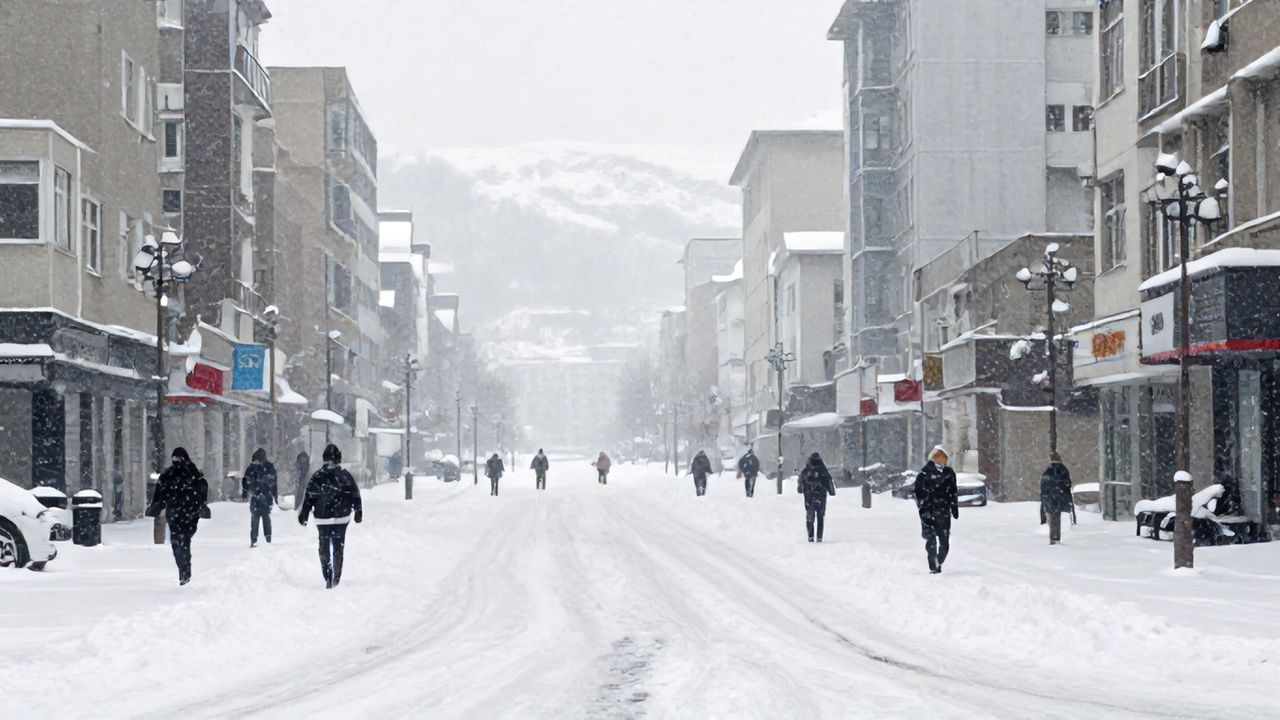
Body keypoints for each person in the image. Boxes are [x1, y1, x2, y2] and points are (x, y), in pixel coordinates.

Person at [298, 444, 362, 589]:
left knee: (324, 548)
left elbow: (309, 497)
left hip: (322, 518)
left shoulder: (317, 477)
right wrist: (358, 511)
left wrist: (304, 514)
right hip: (341, 518)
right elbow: (354, 494)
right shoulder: (345, 476)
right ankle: (336, 578)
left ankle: (328, 574)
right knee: (338, 548)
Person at [145, 448, 209, 586]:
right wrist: (157, 506)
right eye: (174, 460)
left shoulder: (193, 474)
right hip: (174, 515)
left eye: (179, 459)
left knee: (184, 542)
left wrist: (199, 507)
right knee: (176, 544)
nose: (176, 462)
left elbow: (200, 492)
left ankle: (185, 571)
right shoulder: (169, 475)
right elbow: (161, 493)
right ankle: (182, 569)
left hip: (189, 514)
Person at [913, 445, 958, 574]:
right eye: (938, 456)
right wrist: (924, 506)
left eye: (944, 457)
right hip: (928, 511)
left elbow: (953, 491)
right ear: (932, 457)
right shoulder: (924, 474)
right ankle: (933, 566)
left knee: (944, 543)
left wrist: (954, 506)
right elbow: (918, 493)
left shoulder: (949, 473)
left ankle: (939, 560)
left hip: (943, 511)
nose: (941, 460)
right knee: (931, 540)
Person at [241, 448, 278, 547]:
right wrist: (274, 494)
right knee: (262, 518)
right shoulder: (267, 467)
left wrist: (246, 491)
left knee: (257, 518)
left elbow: (246, 481)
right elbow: (274, 483)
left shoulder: (253, 468)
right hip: (263, 496)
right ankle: (265, 539)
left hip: (259, 497)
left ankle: (257, 539)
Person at [797, 452, 837, 542]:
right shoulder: (823, 470)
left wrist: (800, 489)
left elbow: (800, 484)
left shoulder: (806, 471)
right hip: (821, 497)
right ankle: (819, 537)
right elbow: (829, 482)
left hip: (809, 497)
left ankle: (810, 537)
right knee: (820, 516)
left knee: (810, 517)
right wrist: (831, 491)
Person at [1040, 452, 1073, 545]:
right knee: (1057, 517)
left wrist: (1046, 495)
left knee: (1052, 516)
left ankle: (1053, 537)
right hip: (1060, 497)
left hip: (1050, 497)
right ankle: (1056, 536)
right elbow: (1067, 484)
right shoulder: (1063, 470)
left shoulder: (1048, 470)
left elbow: (1044, 484)